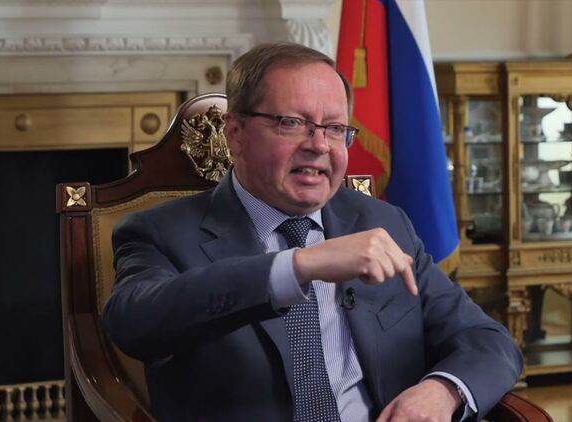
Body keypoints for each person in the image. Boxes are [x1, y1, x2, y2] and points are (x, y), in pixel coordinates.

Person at [103, 42, 522, 422]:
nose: (319, 145)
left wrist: (443, 390)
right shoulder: (159, 232)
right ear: (235, 135)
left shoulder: (383, 222)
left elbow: (487, 340)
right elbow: (134, 325)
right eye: (291, 123)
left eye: (335, 128)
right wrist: (298, 266)